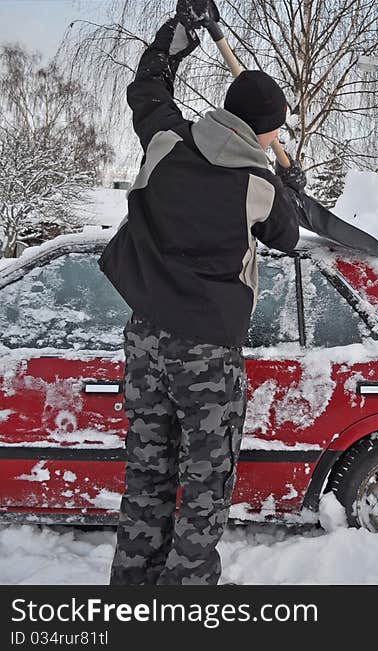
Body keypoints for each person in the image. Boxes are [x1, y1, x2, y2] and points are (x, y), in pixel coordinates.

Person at [100, 0, 308, 585]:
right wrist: (289, 183)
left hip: (144, 339)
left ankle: (132, 594)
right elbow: (288, 236)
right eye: (275, 128)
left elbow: (147, 85)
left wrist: (182, 31)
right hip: (206, 355)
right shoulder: (258, 187)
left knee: (147, 473)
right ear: (261, 128)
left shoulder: (165, 141)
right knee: (204, 484)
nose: (277, 136)